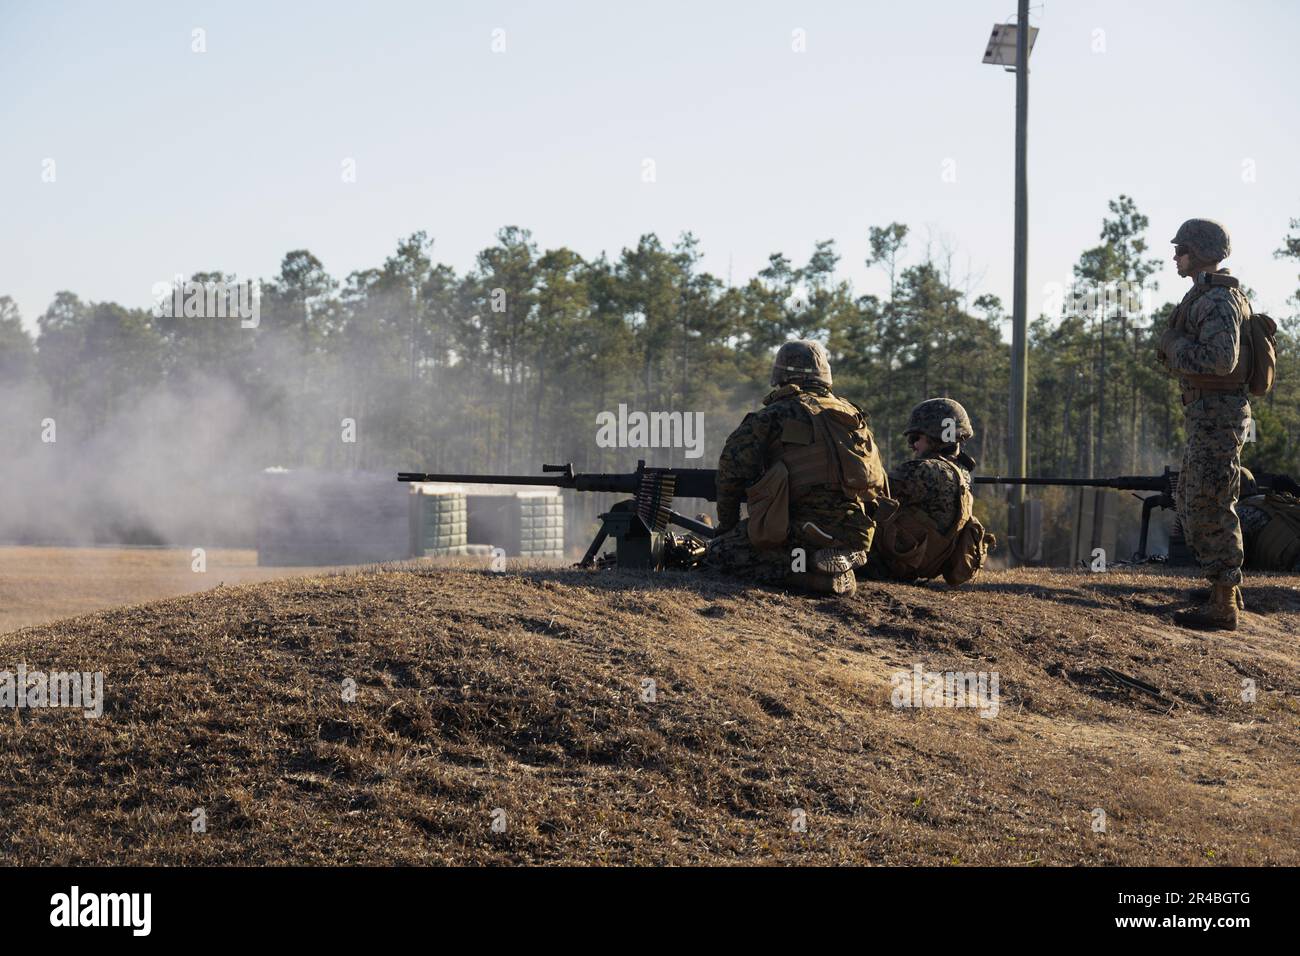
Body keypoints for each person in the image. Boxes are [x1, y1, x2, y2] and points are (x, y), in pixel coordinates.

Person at [704, 340, 889, 596]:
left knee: (718, 554)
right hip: (856, 528)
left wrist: (727, 527)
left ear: (782, 375)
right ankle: (838, 557)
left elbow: (731, 475)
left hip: (802, 528)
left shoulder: (774, 415)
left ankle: (816, 575)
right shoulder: (853, 416)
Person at [1156, 218, 1252, 630]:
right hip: (1208, 416)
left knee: (1209, 502)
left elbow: (1219, 360)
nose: (1175, 257)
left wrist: (1174, 346)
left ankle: (1223, 603)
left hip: (1217, 416)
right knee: (1193, 498)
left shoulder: (1216, 301)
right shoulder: (1205, 296)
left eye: (1181, 250)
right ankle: (1222, 586)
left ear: (1200, 252)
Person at [861, 397, 990, 585]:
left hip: (888, 563)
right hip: (917, 563)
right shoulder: (962, 473)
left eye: (915, 438)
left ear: (936, 437)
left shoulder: (924, 470)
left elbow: (868, 492)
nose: (911, 445)